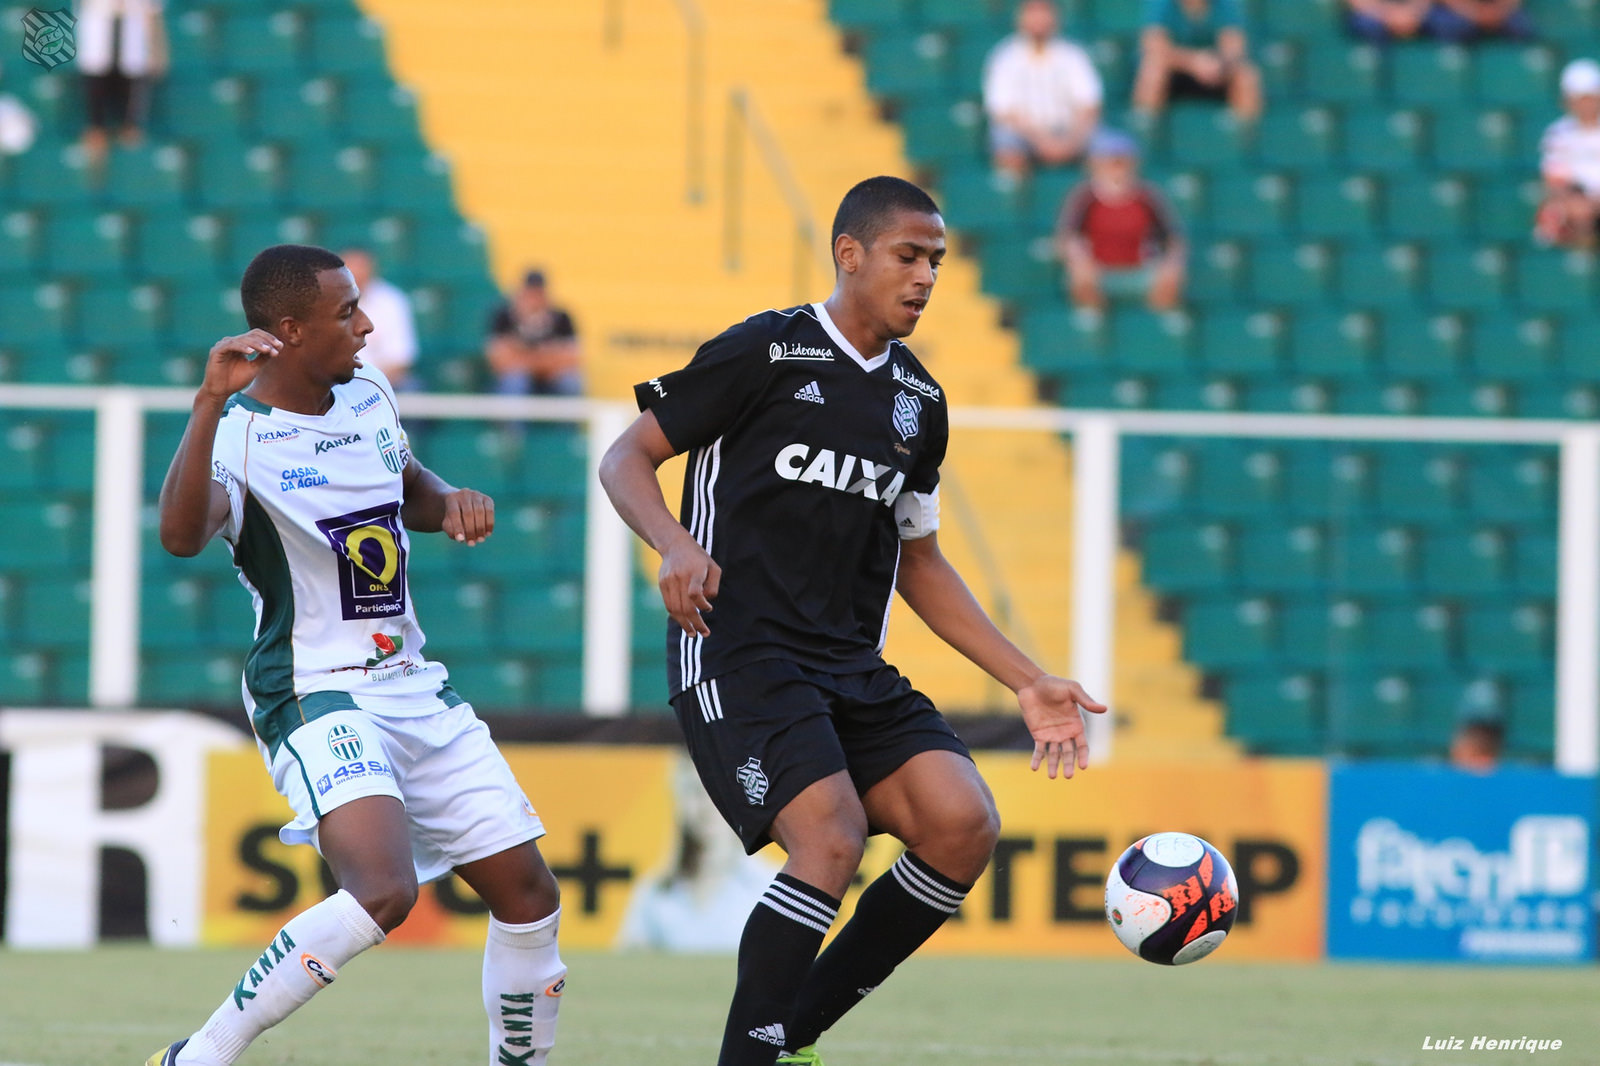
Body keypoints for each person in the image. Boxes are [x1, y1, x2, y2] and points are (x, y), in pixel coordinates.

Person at [598, 176, 1105, 1066]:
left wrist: (1028, 680)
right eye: (909, 256)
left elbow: (920, 562)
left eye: (936, 261)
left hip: (847, 664)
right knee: (830, 838)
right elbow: (625, 456)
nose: (926, 277)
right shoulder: (765, 350)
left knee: (963, 823)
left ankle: (791, 1040)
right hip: (737, 651)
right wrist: (674, 544)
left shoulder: (919, 403)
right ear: (850, 254)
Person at [149, 245, 564, 1066]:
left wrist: (452, 501)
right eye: (347, 313)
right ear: (292, 330)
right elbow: (180, 535)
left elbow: (404, 485)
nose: (368, 326)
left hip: (411, 681)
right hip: (313, 686)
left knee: (529, 896)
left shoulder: (370, 391)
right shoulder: (239, 435)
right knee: (383, 891)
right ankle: (197, 1058)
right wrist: (206, 401)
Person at [1055, 129, 1186, 312]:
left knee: (1169, 284)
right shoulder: (1083, 198)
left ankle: (1152, 327)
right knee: (1081, 283)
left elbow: (1173, 238)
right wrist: (1080, 263)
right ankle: (1094, 326)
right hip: (1098, 271)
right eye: (1110, 162)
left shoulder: (1148, 196)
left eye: (1121, 162)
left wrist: (1171, 266)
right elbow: (1067, 237)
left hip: (1141, 270)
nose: (1116, 168)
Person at [982, 0, 1103, 177]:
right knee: (1007, 150)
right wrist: (1042, 141)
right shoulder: (1004, 57)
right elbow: (1003, 113)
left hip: (1070, 131)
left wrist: (1072, 140)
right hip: (1023, 134)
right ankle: (1017, 195)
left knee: (1112, 152)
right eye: (1032, 13)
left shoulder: (1074, 54)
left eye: (1044, 12)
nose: (1038, 19)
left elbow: (1089, 106)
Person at [1134, 0, 1262, 124]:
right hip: (1175, 74)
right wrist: (1194, 62)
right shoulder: (1161, 3)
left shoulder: (1226, 3)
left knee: (1246, 74)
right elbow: (1154, 46)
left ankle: (1243, 132)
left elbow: (1234, 47)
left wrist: (1215, 63)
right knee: (1152, 70)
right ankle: (1145, 129)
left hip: (1216, 72)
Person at [77, 0, 167, 165]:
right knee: (97, 81)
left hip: (134, 49)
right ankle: (97, 130)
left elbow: (153, 13)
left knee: (133, 85)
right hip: (98, 46)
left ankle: (130, 129)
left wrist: (158, 50)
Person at [485, 268, 583, 396]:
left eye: (538, 293)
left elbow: (572, 359)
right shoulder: (504, 316)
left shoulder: (561, 318)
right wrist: (547, 356)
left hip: (551, 378)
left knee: (570, 382)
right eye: (531, 293)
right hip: (521, 379)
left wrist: (521, 354)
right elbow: (499, 361)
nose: (535, 298)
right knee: (516, 381)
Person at [1536, 60, 1600, 250]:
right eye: (1578, 98)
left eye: (1589, 98)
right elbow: (1554, 181)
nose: (1585, 104)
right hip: (1574, 203)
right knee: (1551, 216)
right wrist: (1575, 203)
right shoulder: (1558, 134)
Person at [339, 247, 420, 390]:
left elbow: (400, 360)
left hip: (380, 384)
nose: (356, 274)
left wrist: (368, 387)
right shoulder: (322, 301)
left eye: (361, 267)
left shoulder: (392, 301)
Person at [1423, 0, 1532, 41]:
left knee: (1521, 25)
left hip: (1496, 11)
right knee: (1448, 25)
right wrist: (1476, 14)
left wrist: (1499, 11)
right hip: (1459, 11)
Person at [1345, 0, 1436, 42]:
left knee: (1441, 22)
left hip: (1416, 12)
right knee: (1367, 25)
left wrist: (1414, 12)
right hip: (1374, 14)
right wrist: (1387, 15)